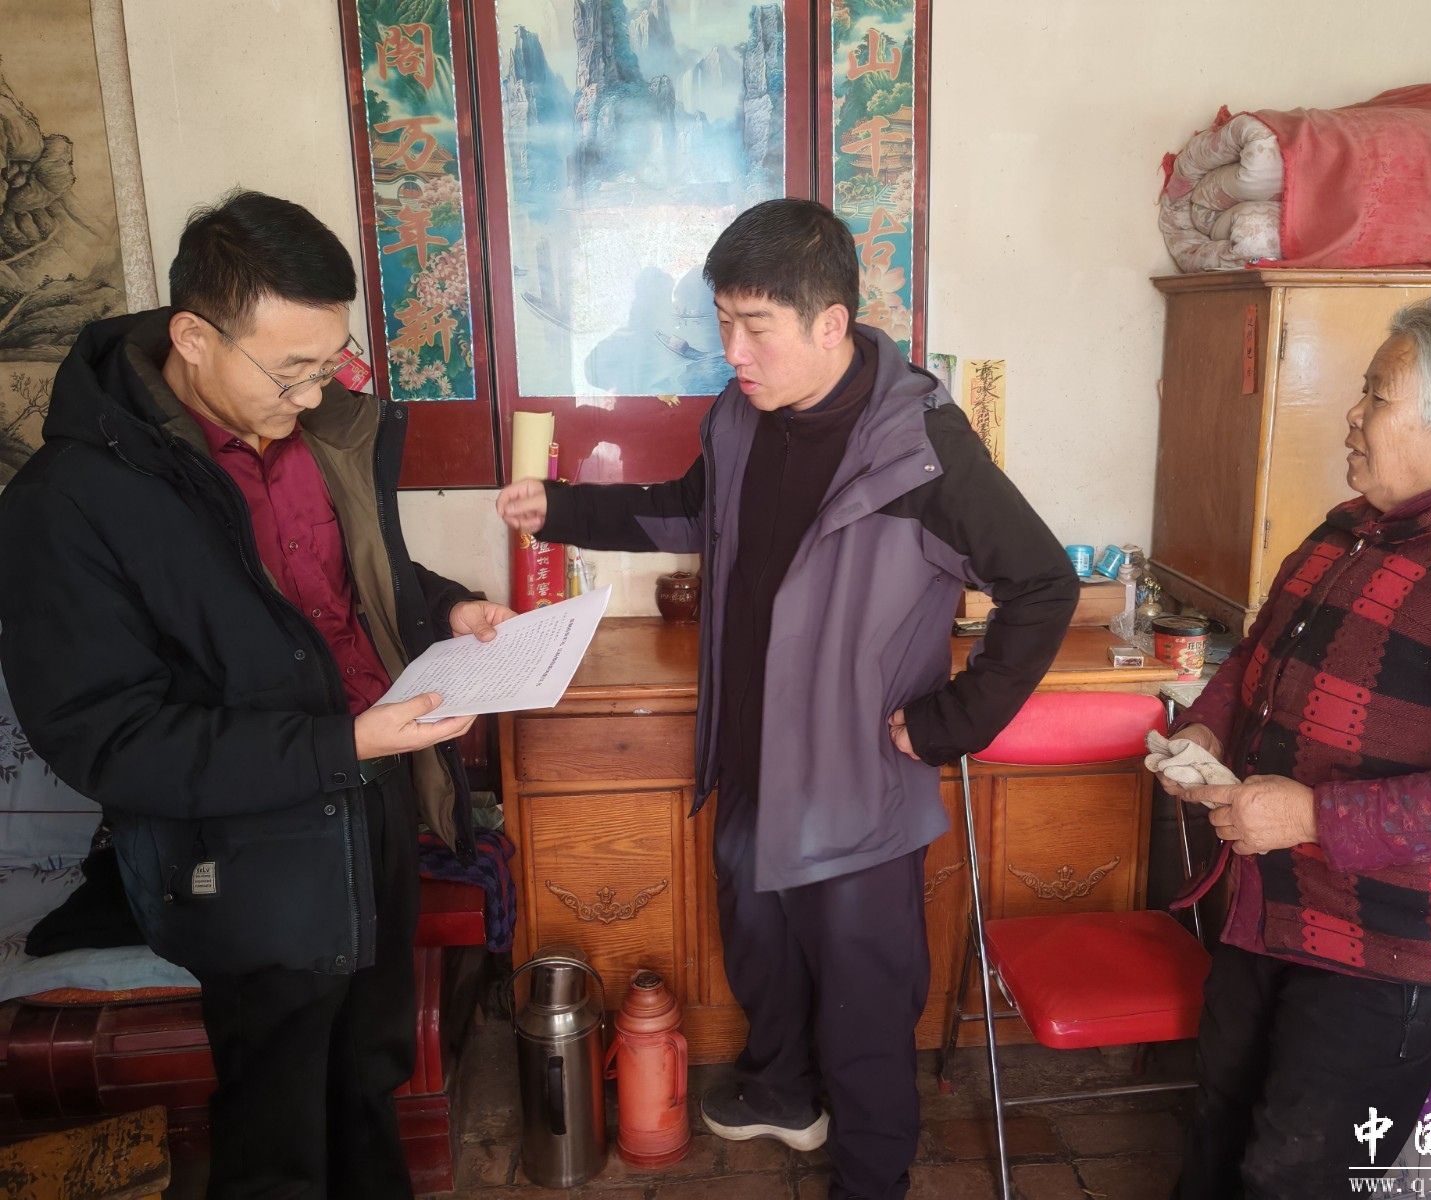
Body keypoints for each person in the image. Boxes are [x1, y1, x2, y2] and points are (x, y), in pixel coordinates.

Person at [498, 198, 1077, 1200]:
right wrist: (562, 510)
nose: (732, 352)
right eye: (723, 321)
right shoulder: (741, 419)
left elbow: (1043, 584)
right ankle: (781, 1094)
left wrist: (950, 723)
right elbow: (692, 512)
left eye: (754, 327)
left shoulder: (922, 450)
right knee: (761, 955)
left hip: (856, 779)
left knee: (862, 1003)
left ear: (829, 323)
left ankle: (871, 1177)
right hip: (750, 758)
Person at [0, 190, 514, 1199]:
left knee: (370, 1072)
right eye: (291, 371)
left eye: (330, 364)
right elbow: (107, 738)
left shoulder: (318, 441)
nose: (315, 396)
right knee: (278, 1113)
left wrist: (446, 609)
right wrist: (342, 744)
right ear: (194, 338)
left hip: (375, 793)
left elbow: (345, 586)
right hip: (240, 850)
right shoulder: (69, 504)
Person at [1168, 291, 1431, 1196]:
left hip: (1401, 940)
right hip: (1279, 901)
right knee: (1217, 1119)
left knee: (1295, 1170)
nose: (1353, 417)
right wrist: (1209, 722)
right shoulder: (1351, 530)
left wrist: (1311, 816)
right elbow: (1258, 654)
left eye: (1377, 395)